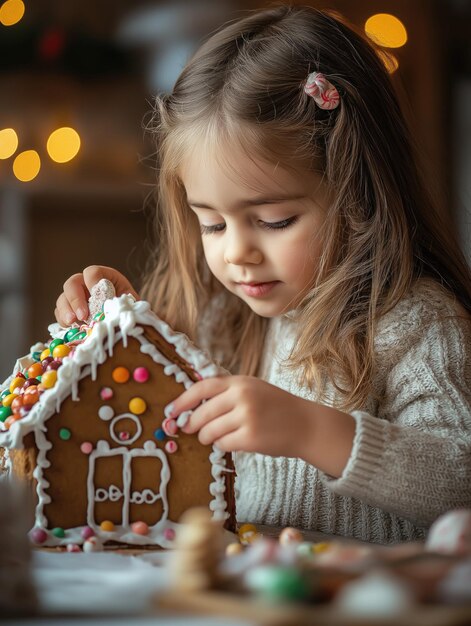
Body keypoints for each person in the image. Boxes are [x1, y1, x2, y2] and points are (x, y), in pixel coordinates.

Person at [54, 5, 471, 544]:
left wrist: (313, 431)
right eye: (211, 224)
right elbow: (153, 435)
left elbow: (461, 481)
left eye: (274, 221)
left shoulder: (413, 323)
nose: (237, 252)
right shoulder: (225, 322)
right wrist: (126, 333)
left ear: (356, 194)